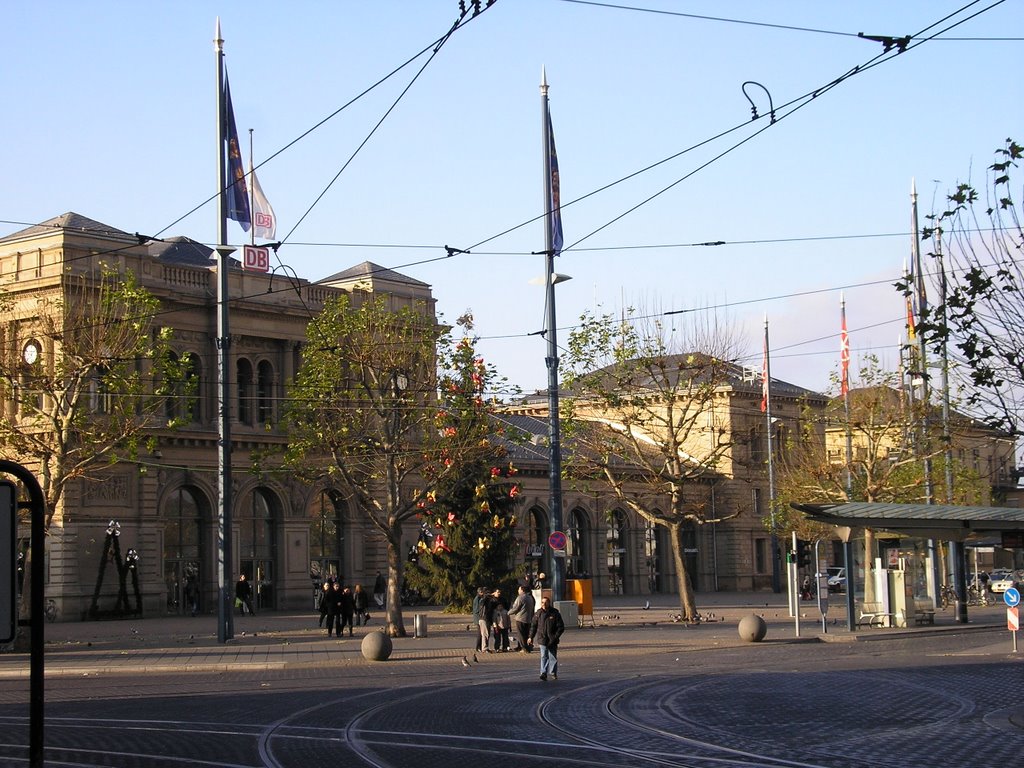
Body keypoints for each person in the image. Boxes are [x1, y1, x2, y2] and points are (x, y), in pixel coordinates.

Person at [529, 595, 565, 681]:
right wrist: (530, 637)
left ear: (549, 603)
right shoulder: (538, 613)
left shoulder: (555, 613)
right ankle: (543, 673)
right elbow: (533, 626)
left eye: (546, 602)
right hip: (542, 638)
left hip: (552, 639)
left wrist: (555, 637)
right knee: (544, 656)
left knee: (552, 657)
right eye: (542, 602)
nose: (544, 604)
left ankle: (553, 672)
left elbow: (561, 627)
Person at [508, 584, 535, 652]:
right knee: (526, 634)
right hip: (528, 618)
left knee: (521, 634)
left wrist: (508, 613)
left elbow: (515, 608)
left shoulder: (520, 597)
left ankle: (524, 648)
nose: (518, 590)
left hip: (521, 618)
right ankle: (525, 647)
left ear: (522, 590)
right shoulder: (530, 597)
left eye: (519, 589)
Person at [479, 588, 499, 653]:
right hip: (483, 618)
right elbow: (482, 603)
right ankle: (484, 648)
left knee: (487, 634)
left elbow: (496, 603)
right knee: (485, 634)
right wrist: (487, 596)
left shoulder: (490, 601)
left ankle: (485, 647)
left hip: (487, 618)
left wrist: (494, 596)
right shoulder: (483, 600)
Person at [471, 587, 485, 652]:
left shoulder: (480, 598)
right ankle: (478, 647)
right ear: (479, 592)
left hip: (479, 618)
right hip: (478, 619)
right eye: (482, 592)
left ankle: (480, 646)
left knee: (482, 633)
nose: (483, 593)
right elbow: (476, 610)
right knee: (479, 633)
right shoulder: (477, 599)